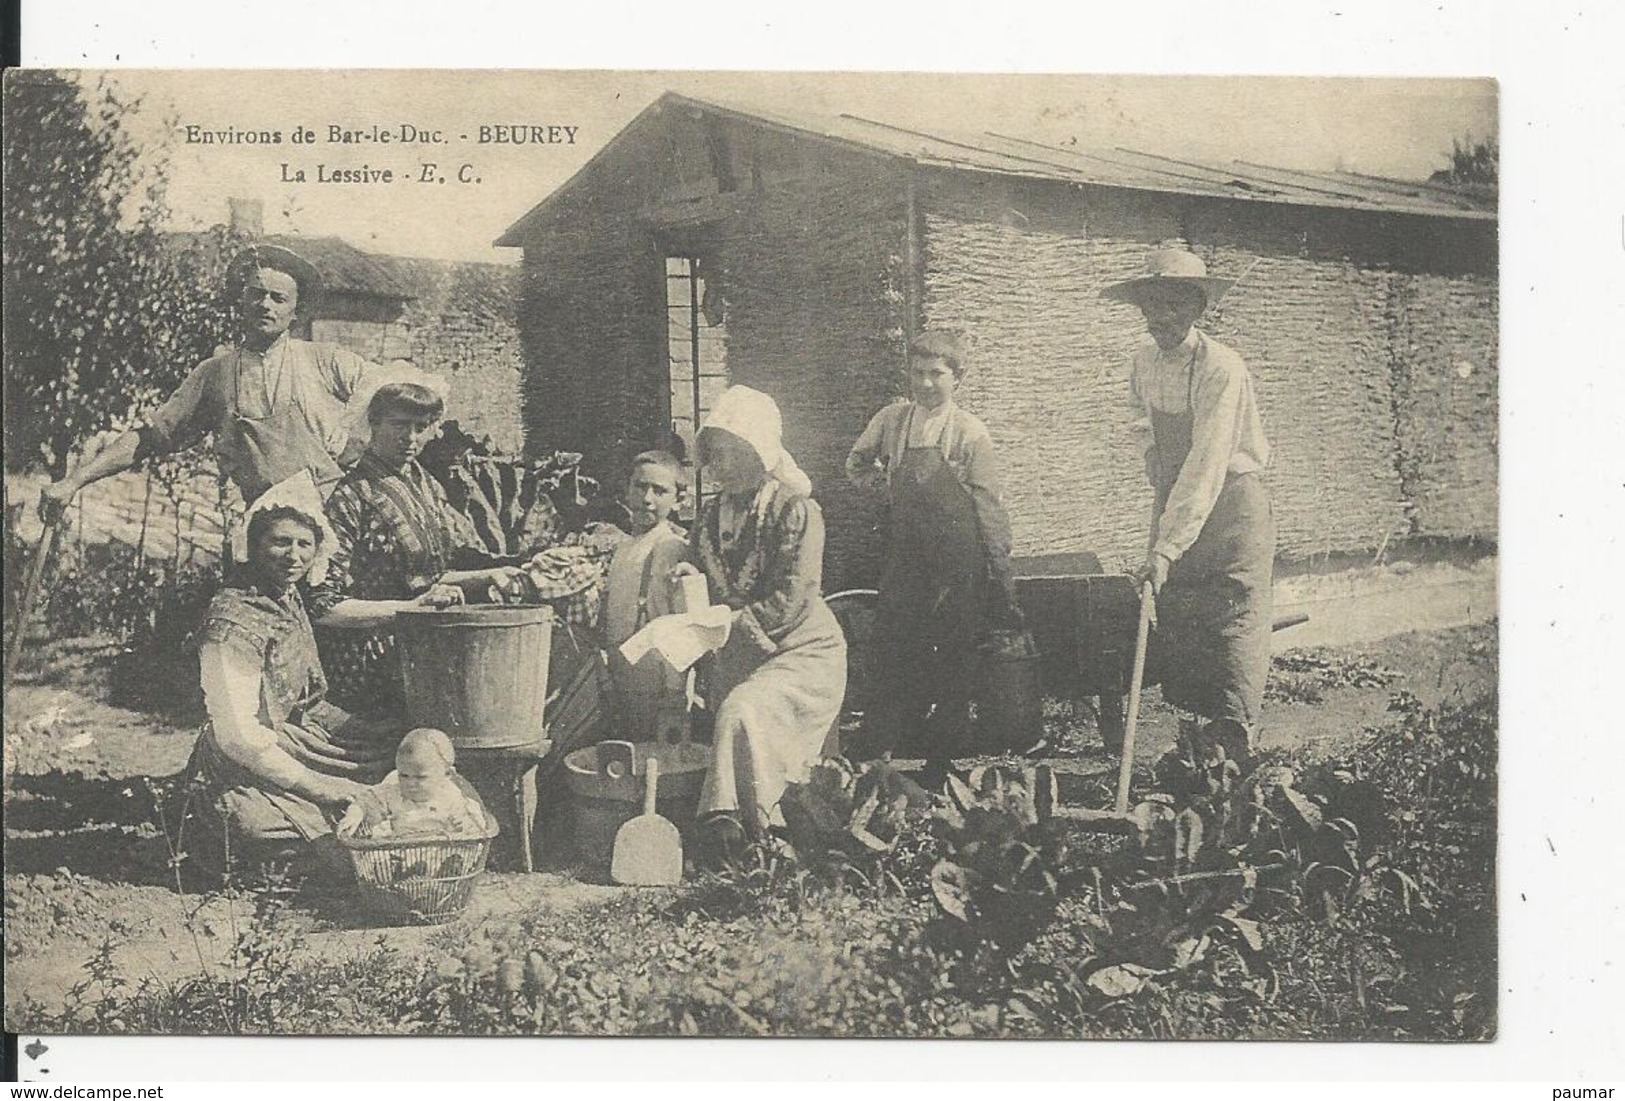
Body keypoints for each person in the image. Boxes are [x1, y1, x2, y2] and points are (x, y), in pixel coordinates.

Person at [38, 244, 385, 522]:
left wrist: (350, 427)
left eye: (278, 298)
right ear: (241, 301)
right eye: (256, 294)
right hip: (263, 530)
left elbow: (391, 385)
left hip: (334, 519)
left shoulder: (325, 361)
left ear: (296, 313)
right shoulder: (214, 374)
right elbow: (151, 437)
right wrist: (74, 481)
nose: (265, 304)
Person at [185, 472, 404, 878]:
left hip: (302, 741)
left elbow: (308, 702)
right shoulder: (232, 617)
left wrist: (366, 731)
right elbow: (239, 736)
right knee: (256, 828)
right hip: (247, 760)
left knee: (402, 763)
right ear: (253, 546)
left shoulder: (287, 600)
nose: (293, 556)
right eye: (280, 542)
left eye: (305, 544)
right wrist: (321, 787)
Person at [1102, 248, 1276, 752]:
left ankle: (1234, 745)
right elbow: (1138, 414)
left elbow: (1208, 461)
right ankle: (1200, 749)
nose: (1161, 318)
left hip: (1232, 506)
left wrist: (1165, 547)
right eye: (1152, 306)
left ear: (1198, 307)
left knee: (1230, 618)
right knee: (1181, 611)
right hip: (1180, 495)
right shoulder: (1143, 361)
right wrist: (1151, 450)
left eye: (1175, 305)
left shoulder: (1222, 366)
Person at [674, 386, 847, 864]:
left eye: (732, 453)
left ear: (759, 452)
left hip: (801, 650)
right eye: (715, 454)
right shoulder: (712, 515)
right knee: (715, 709)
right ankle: (742, 825)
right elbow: (706, 577)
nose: (720, 465)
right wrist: (691, 582)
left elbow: (793, 596)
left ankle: (738, 826)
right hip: (740, 647)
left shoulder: (795, 510)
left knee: (741, 711)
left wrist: (732, 624)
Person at [846, 330, 1021, 778]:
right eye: (918, 373)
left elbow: (987, 502)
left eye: (937, 375)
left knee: (952, 655)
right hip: (906, 554)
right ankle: (881, 751)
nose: (925, 384)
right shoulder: (892, 419)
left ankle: (941, 760)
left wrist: (996, 565)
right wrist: (883, 491)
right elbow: (857, 462)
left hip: (956, 560)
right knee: (893, 647)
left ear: (957, 379)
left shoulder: (969, 432)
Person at [311, 381, 524, 719]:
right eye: (399, 425)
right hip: (369, 662)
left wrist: (491, 574)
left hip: (423, 646)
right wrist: (409, 609)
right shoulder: (349, 496)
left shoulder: (424, 483)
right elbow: (324, 606)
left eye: (420, 428)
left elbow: (427, 577)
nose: (410, 438)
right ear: (374, 424)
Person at [600, 451, 691, 744]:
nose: (647, 498)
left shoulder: (670, 549)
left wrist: (674, 697)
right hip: (621, 675)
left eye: (660, 491)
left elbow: (681, 631)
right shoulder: (624, 548)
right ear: (627, 489)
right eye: (640, 487)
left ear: (677, 500)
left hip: (657, 682)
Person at [342, 728, 490, 841]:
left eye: (420, 778)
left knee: (451, 853)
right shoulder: (393, 792)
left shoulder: (451, 797)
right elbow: (366, 800)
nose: (410, 783)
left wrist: (465, 827)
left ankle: (450, 865)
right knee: (382, 857)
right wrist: (354, 814)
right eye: (404, 775)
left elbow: (473, 823)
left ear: (446, 775)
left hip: (438, 850)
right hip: (399, 849)